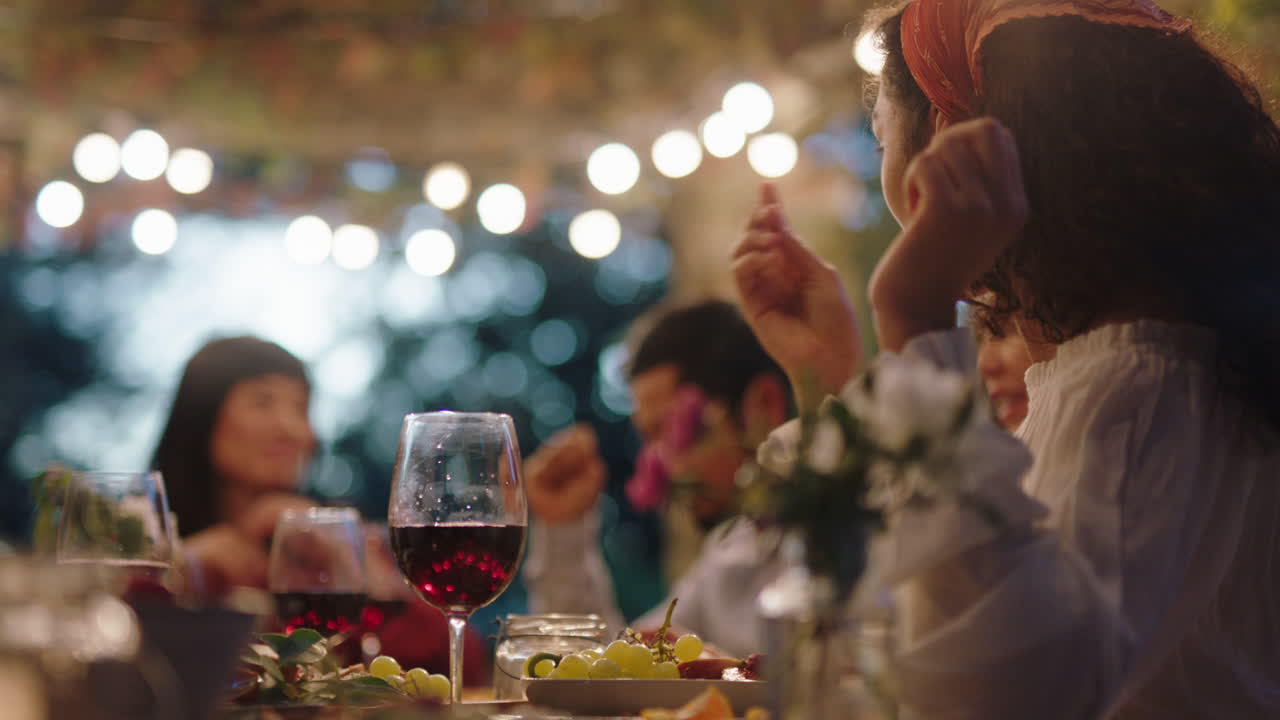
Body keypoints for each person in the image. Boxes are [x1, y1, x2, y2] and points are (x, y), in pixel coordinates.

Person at [732, 0, 1280, 717]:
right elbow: (924, 578)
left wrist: (916, 309)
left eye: (879, 142)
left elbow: (1001, 688)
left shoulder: (1142, 381)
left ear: (946, 141)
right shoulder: (1128, 368)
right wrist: (830, 373)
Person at [152, 335, 487, 683]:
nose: (290, 428)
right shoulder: (150, 538)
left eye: (301, 408)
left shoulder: (342, 537)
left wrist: (350, 563)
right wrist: (182, 564)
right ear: (201, 417)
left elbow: (461, 666)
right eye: (262, 402)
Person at [522, 299, 791, 657]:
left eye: (676, 430)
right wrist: (563, 529)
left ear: (764, 404)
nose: (664, 469)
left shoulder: (851, 542)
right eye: (650, 440)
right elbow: (613, 666)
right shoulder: (728, 556)